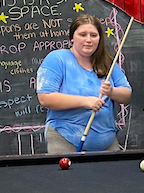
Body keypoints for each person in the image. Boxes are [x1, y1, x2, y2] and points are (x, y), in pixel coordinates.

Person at [36, 15, 132, 153]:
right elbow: (45, 98)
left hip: (108, 143)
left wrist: (111, 92)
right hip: (66, 140)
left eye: (93, 35)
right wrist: (85, 101)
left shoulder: (108, 63)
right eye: (82, 34)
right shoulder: (57, 59)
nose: (88, 40)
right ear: (72, 38)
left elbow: (126, 94)